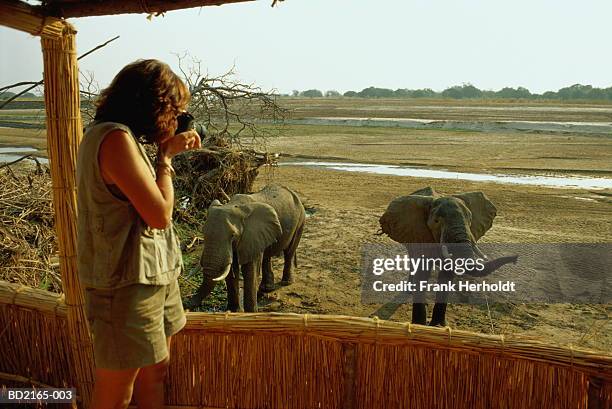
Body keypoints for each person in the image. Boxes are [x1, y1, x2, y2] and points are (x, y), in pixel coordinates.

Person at [76, 59, 201, 408]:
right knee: (117, 392)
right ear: (155, 105)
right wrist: (165, 158)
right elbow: (160, 215)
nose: (177, 119)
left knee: (156, 373)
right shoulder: (114, 139)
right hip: (124, 285)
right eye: (175, 110)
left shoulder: (123, 136)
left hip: (151, 276)